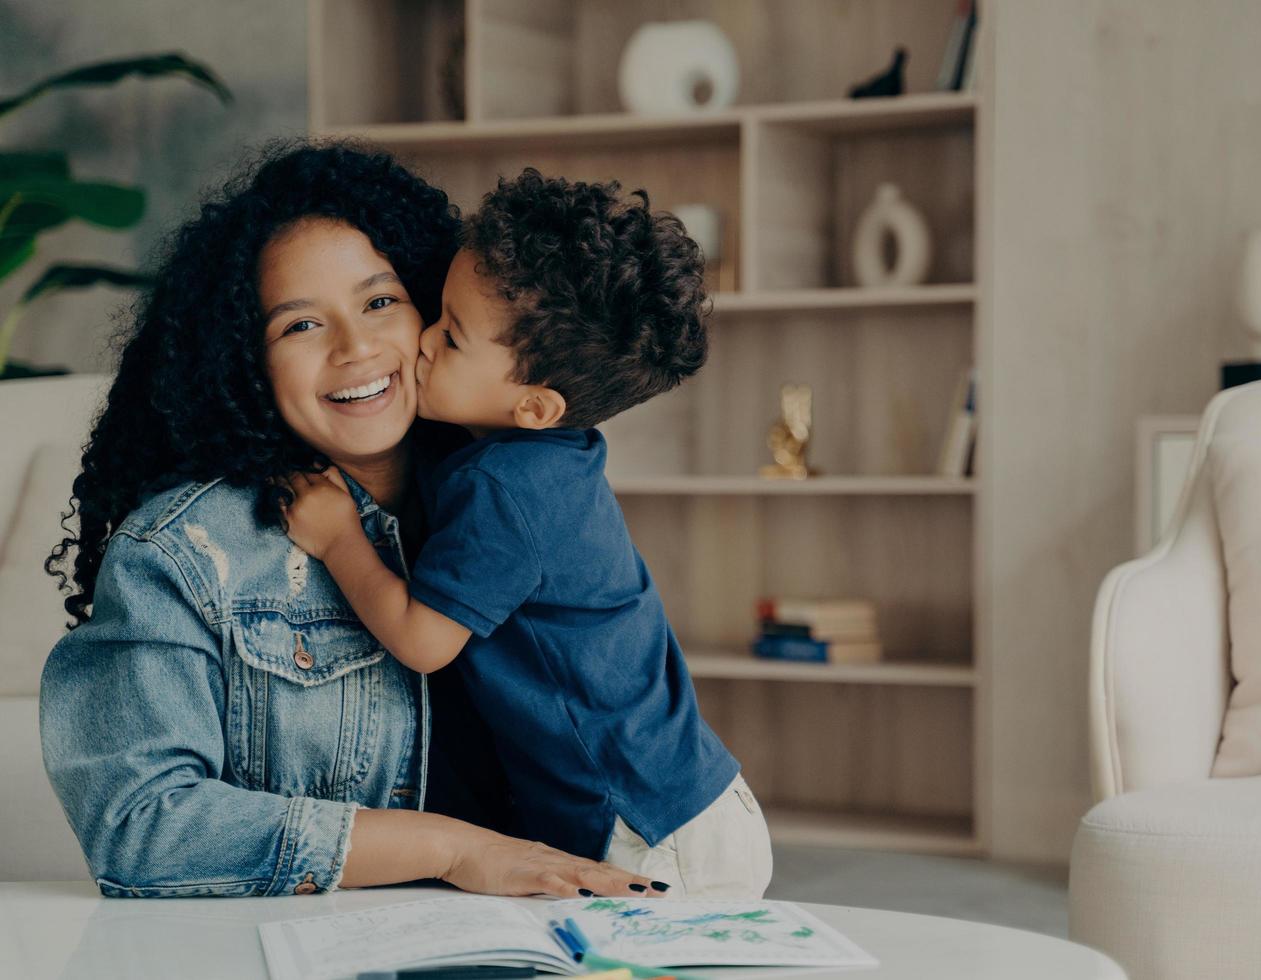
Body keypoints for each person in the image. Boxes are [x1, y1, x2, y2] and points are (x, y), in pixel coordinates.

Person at [39, 142, 657, 899]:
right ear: (242, 358)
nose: (357, 347)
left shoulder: (510, 499)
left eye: (380, 301)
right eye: (300, 326)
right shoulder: (183, 553)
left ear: (437, 311)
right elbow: (141, 827)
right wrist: (451, 849)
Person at [281, 169, 773, 898]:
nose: (421, 339)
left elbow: (421, 641)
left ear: (536, 407)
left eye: (451, 338)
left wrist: (336, 536)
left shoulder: (505, 490)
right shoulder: (546, 459)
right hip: (687, 803)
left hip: (646, 833)